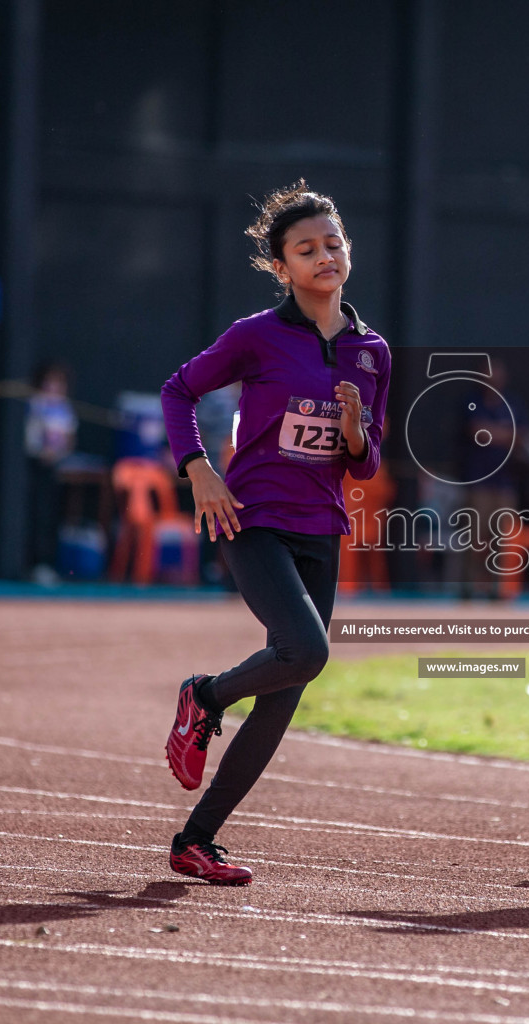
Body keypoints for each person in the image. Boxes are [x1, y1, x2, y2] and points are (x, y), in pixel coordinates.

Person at [160, 181, 390, 884]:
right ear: (282, 267)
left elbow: (368, 459)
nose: (326, 254)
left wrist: (355, 431)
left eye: (334, 241)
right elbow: (180, 391)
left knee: (289, 684)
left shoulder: (372, 351)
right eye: (307, 248)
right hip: (251, 516)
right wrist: (197, 468)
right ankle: (204, 694)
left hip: (321, 525)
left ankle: (195, 842)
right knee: (306, 649)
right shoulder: (255, 336)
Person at [24, 361, 77, 582]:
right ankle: (31, 564)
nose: (54, 387)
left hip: (57, 468)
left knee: (52, 517)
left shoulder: (64, 408)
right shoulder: (34, 404)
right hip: (35, 466)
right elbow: (28, 435)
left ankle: (47, 564)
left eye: (59, 382)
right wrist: (40, 451)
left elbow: (70, 438)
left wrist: (59, 453)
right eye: (50, 381)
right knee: (36, 514)